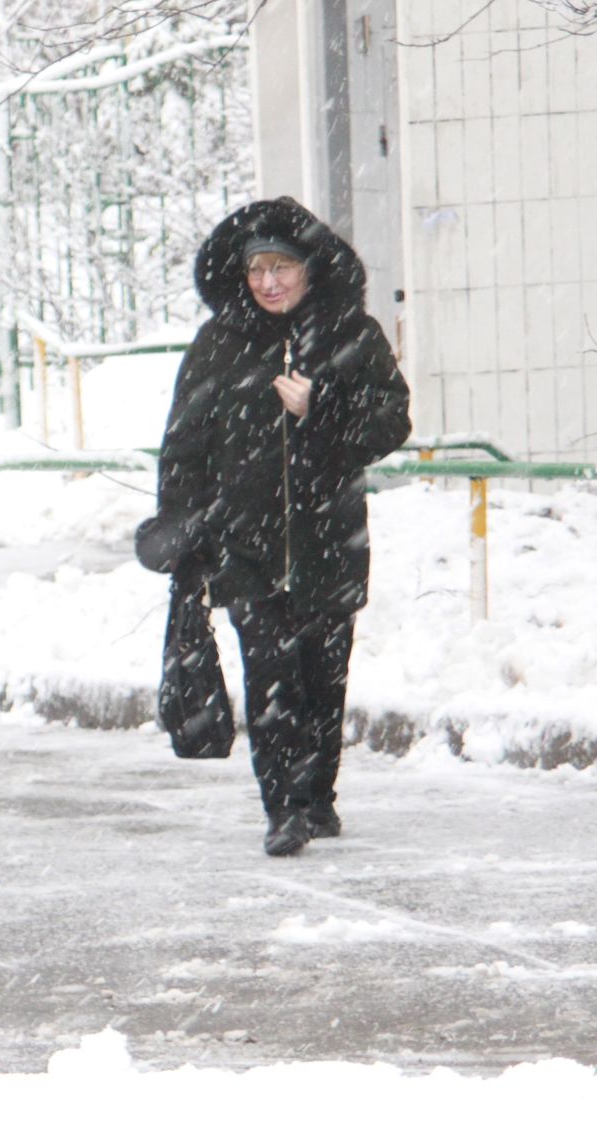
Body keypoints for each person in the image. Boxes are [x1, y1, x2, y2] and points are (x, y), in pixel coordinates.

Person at [151, 197, 411, 857]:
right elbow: (183, 448)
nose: (269, 283)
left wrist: (322, 407)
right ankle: (284, 809)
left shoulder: (350, 332)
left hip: (330, 543)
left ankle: (318, 799)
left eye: (282, 268)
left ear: (308, 268)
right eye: (257, 270)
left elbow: (390, 422)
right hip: (246, 550)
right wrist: (182, 532)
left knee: (322, 682)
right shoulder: (220, 345)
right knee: (269, 680)